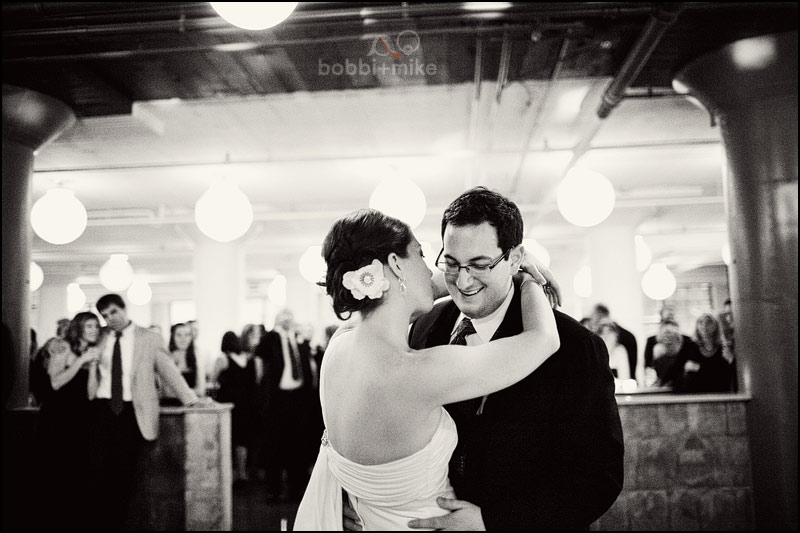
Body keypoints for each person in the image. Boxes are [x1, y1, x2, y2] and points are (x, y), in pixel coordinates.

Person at [294, 207, 560, 530]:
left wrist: (495, 268)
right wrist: (527, 277)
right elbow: (543, 339)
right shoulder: (420, 372)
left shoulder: (339, 348)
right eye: (420, 254)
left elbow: (409, 294)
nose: (431, 269)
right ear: (395, 264)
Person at [405, 187, 624, 530]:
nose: (463, 281)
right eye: (452, 263)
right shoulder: (425, 327)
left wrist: (492, 521)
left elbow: (599, 478)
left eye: (480, 265)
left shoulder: (576, 347)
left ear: (514, 257)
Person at [87, 293, 202, 530]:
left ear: (124, 309)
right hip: (102, 409)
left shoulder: (149, 338)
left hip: (131, 411)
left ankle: (118, 523)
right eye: (105, 315)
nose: (110, 319)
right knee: (99, 471)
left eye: (114, 312)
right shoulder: (101, 338)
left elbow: (168, 371)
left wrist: (191, 399)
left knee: (125, 474)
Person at [39, 311, 102, 529]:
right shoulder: (63, 346)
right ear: (79, 328)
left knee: (79, 474)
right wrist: (81, 361)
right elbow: (55, 383)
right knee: (58, 473)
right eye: (89, 326)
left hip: (81, 421)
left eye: (96, 326)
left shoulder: (91, 352)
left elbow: (91, 394)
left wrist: (92, 366)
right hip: (58, 418)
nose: (94, 330)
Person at [257, 309, 316, 501]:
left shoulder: (298, 339)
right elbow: (260, 350)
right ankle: (273, 490)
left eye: (290, 317)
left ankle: (296, 488)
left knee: (297, 445)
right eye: (283, 318)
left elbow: (307, 365)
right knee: (275, 446)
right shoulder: (272, 339)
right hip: (277, 399)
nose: (287, 321)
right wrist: (276, 329)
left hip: (298, 398)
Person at [214, 331, 258, 482]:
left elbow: (213, 380)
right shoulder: (247, 359)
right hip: (245, 404)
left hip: (228, 403)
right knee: (242, 439)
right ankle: (242, 471)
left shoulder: (223, 359)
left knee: (228, 438)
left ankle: (229, 473)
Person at [662, 312, 734, 393]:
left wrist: (698, 368)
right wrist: (661, 382)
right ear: (697, 326)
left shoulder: (722, 349)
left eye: (708, 323)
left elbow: (722, 374)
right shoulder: (689, 346)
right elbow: (676, 367)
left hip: (717, 393)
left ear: (715, 326)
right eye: (701, 322)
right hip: (694, 393)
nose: (704, 326)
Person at [589, 303, 638, 383]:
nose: (606, 336)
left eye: (609, 332)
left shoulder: (620, 351)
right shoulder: (594, 352)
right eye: (603, 333)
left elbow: (625, 378)